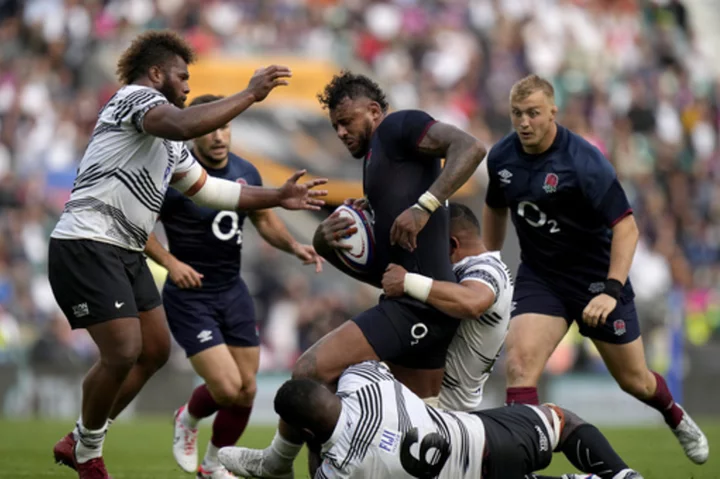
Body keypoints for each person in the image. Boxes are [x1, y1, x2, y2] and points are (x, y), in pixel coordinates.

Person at [49, 30, 327, 479]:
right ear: (156, 74)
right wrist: (250, 94)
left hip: (124, 250)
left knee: (154, 351)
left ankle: (81, 438)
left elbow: (210, 190)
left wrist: (278, 194)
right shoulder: (132, 99)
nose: (187, 86)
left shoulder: (170, 143)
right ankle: (88, 451)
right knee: (123, 350)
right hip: (88, 239)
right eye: (182, 76)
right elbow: (183, 123)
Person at [225, 71, 487, 478]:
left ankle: (276, 462)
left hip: (415, 309)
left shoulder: (399, 127)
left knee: (310, 373)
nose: (341, 132)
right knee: (414, 434)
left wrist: (425, 206)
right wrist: (325, 241)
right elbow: (383, 271)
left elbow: (470, 148)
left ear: (375, 111)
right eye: (335, 126)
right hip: (420, 306)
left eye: (347, 121)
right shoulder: (375, 165)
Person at [482, 74, 708, 464]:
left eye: (533, 113)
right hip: (542, 277)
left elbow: (626, 227)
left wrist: (611, 289)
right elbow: (495, 206)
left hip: (596, 280)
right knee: (519, 367)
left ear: (553, 112)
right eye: (517, 114)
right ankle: (518, 464)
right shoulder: (502, 157)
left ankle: (675, 415)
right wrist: (487, 260)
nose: (524, 123)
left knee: (635, 381)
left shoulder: (584, 161)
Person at [140, 93, 325, 479]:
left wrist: (294, 246)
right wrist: (171, 263)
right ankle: (188, 416)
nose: (219, 136)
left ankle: (212, 465)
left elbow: (264, 220)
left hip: (232, 290)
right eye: (209, 128)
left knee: (247, 391)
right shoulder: (171, 178)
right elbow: (139, 229)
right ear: (193, 134)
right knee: (226, 389)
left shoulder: (246, 171)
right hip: (190, 297)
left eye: (224, 126)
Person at [219, 361, 644, 479]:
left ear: (308, 435)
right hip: (486, 438)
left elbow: (321, 463)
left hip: (470, 474)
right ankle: (621, 475)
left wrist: (313, 443)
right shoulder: (366, 383)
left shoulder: (339, 470)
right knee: (561, 423)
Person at [381, 203, 512, 411]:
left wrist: (407, 281)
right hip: (428, 398)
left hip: (443, 407)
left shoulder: (487, 269)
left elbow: (473, 302)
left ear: (452, 245)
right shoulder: (465, 270)